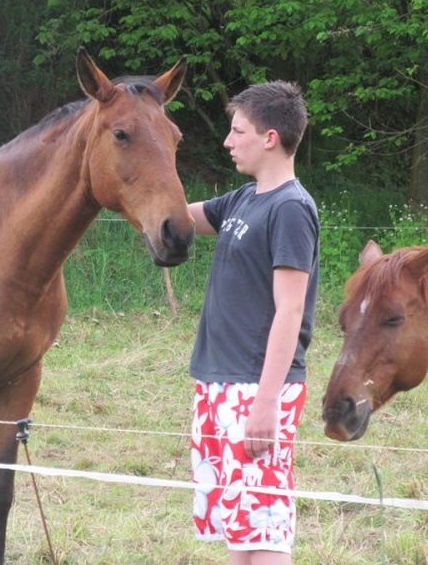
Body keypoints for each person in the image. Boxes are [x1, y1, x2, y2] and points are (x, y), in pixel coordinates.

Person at [188, 80, 319, 565]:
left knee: (264, 530)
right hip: (221, 383)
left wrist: (265, 405)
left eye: (237, 130)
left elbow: (291, 309)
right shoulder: (246, 198)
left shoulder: (289, 208)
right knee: (240, 530)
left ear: (269, 138)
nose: (227, 141)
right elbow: (179, 221)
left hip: (258, 387)